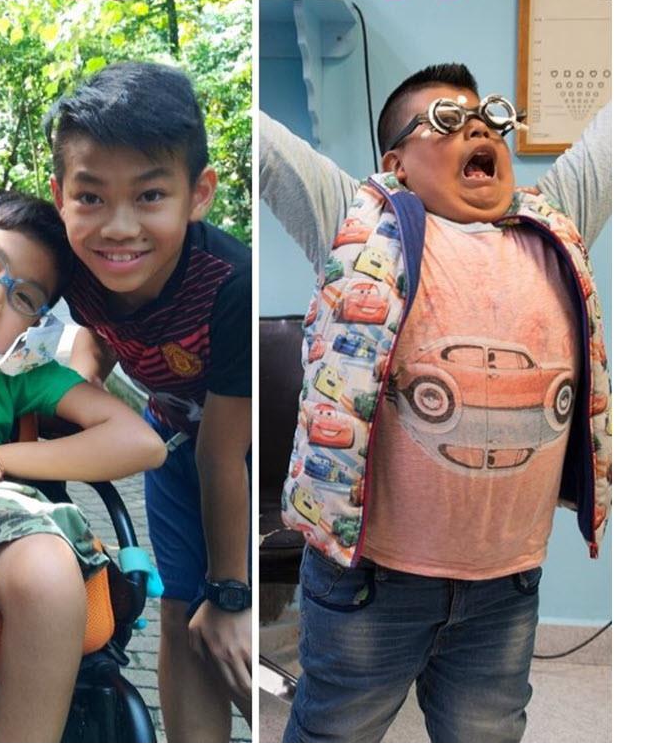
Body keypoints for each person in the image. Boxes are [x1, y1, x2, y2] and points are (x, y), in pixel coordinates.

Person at [261, 62, 612, 742]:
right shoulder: (359, 223)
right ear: (396, 163)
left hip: (505, 585)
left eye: (488, 121)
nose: (478, 127)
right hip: (371, 585)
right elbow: (263, 144)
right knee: (336, 730)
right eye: (447, 122)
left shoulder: (553, 223)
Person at [0, 190, 166, 742]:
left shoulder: (15, 377)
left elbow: (144, 443)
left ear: (32, 328)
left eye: (24, 298)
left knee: (48, 571)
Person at [47, 61, 254, 741]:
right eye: (92, 198)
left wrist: (230, 591)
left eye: (149, 196)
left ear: (198, 195)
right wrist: (68, 405)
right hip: (170, 444)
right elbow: (97, 339)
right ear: (60, 195)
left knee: (231, 630)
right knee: (177, 615)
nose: (118, 227)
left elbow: (225, 453)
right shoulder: (74, 265)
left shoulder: (229, 282)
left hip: (245, 455)